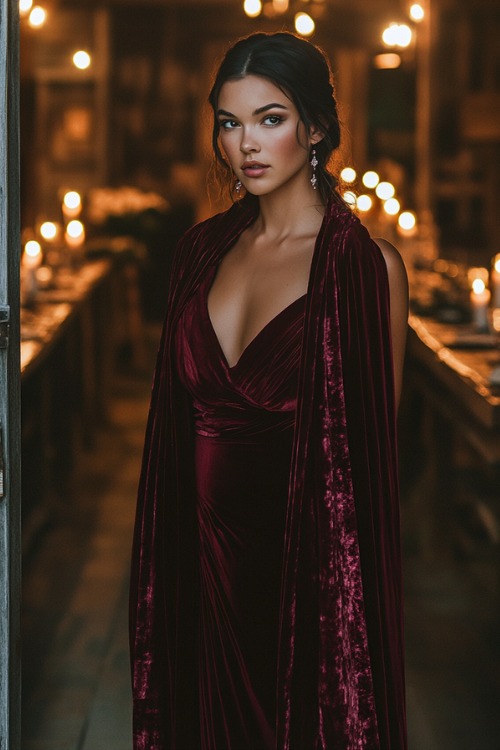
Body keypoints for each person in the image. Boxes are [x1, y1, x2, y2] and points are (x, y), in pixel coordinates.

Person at [130, 31, 409, 750]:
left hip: (301, 602)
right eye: (230, 122)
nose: (246, 144)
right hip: (192, 578)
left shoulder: (366, 270)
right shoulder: (198, 252)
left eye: (270, 118)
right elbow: (169, 437)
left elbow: (371, 483)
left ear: (315, 128)